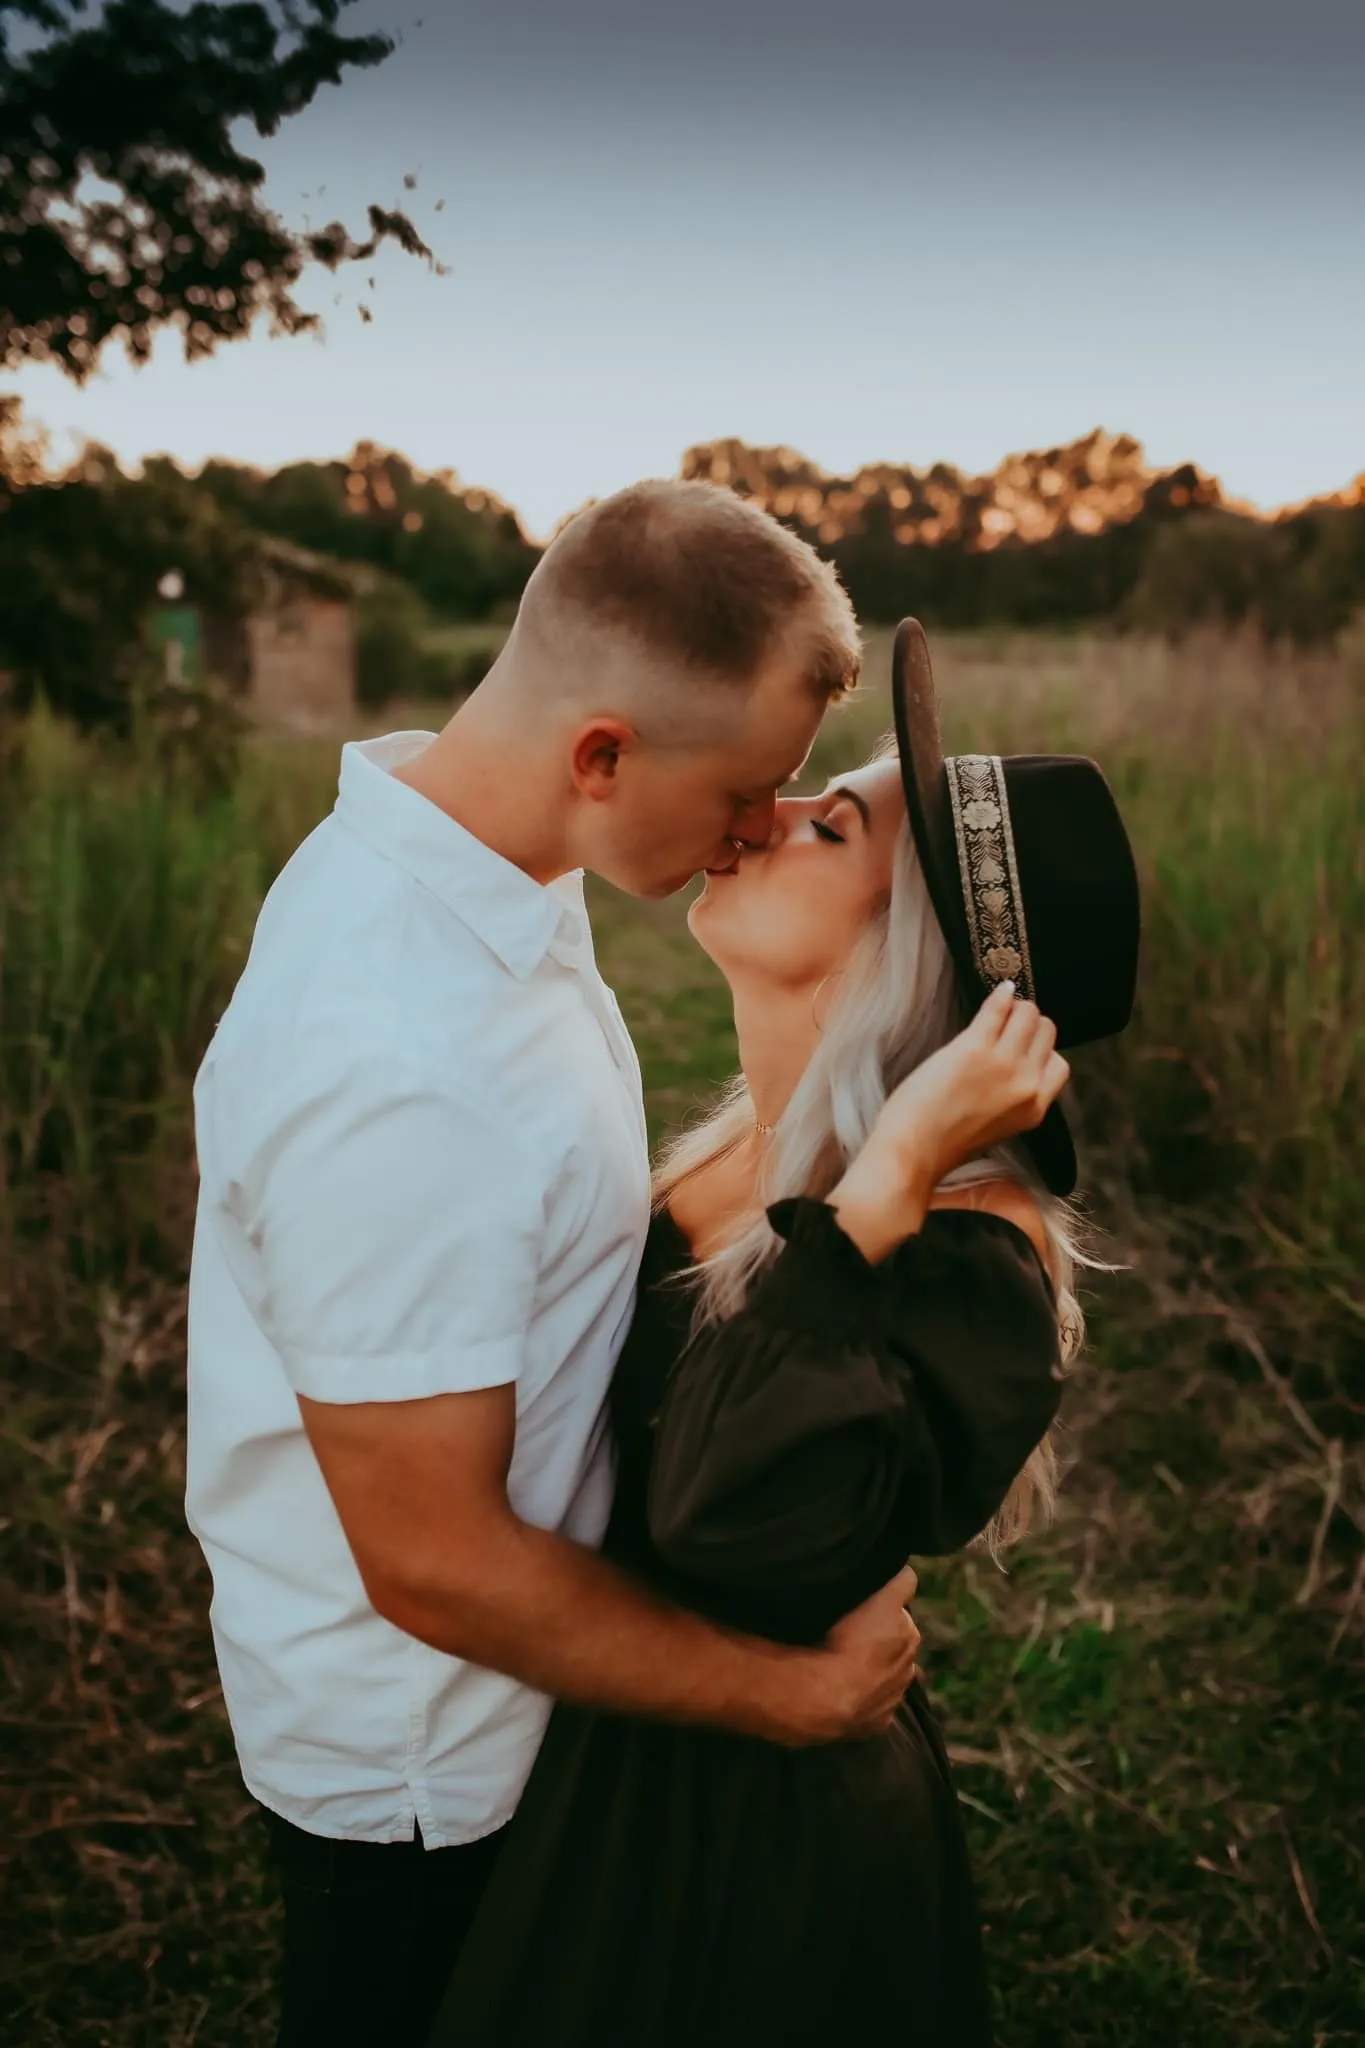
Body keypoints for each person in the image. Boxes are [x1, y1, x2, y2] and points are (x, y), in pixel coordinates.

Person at [186, 479, 925, 2048]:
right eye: (743, 791)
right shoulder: (397, 1055)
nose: (755, 830)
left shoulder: (492, 878)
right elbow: (433, 1559)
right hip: (433, 1784)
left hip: (532, 1723)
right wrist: (781, 1699)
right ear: (603, 754)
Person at [425, 619, 1141, 2047]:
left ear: (907, 946)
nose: (758, 818)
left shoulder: (965, 1257)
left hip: (755, 1857)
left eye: (828, 826)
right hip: (597, 1757)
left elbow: (733, 1526)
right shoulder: (728, 1148)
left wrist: (882, 1188)